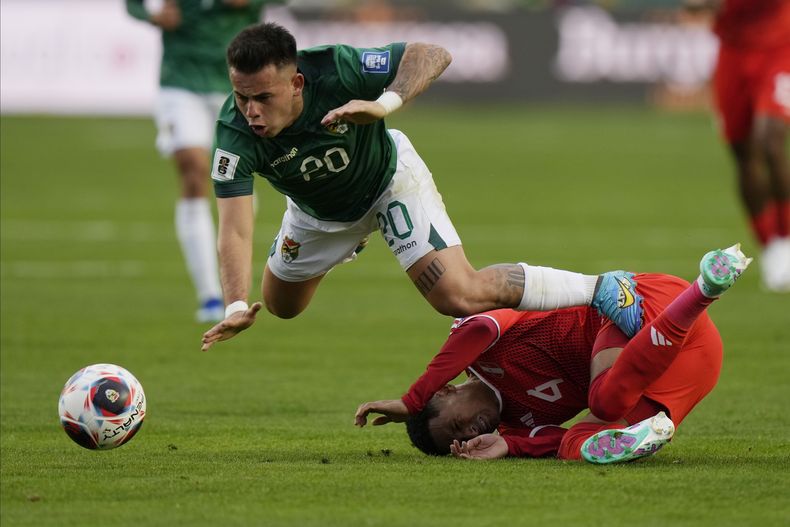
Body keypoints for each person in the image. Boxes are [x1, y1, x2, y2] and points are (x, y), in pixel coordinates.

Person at [200, 22, 644, 351]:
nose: (251, 111)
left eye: (263, 98)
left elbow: (433, 53)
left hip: (388, 183)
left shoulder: (337, 68)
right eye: (242, 97)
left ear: (296, 83)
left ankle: (603, 287)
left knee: (458, 294)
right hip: (315, 213)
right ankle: (347, 245)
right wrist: (236, 306)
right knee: (281, 306)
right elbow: (235, 228)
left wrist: (383, 104)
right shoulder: (234, 136)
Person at [354, 244, 751, 464]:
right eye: (460, 441)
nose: (471, 432)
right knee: (577, 442)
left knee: (604, 400)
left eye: (455, 427)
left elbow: (481, 325)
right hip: (688, 366)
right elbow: (551, 439)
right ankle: (642, 437)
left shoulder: (477, 351)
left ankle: (704, 289)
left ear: (446, 392)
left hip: (636, 305)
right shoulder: (510, 427)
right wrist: (509, 446)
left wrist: (414, 397)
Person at [126, 0, 281, 322]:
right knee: (194, 171)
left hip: (238, 83)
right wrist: (151, 14)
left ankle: (231, 287)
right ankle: (208, 294)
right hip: (181, 81)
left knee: (237, 175)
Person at [710, 0, 790, 291]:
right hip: (733, 50)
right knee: (743, 153)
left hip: (780, 47)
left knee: (770, 141)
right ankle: (769, 244)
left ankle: (786, 238)